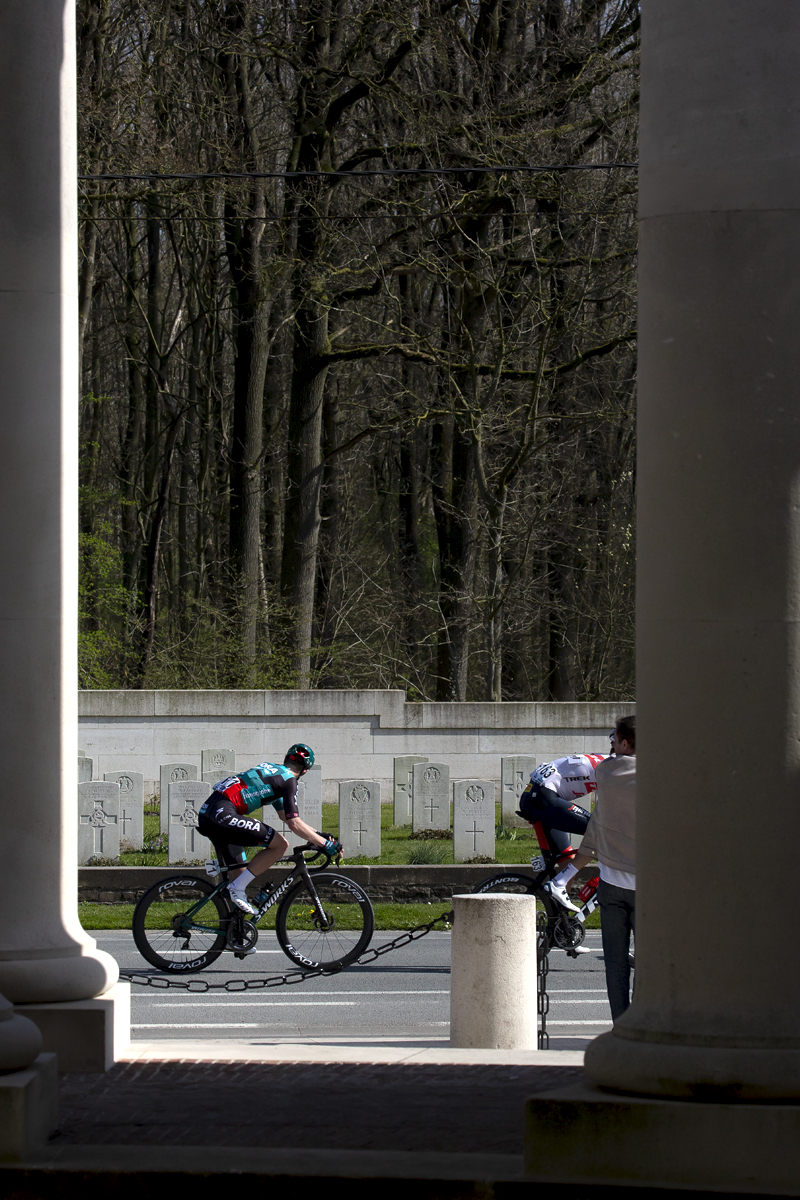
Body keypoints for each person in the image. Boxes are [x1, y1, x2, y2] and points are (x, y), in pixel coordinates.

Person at [197, 743, 342, 917]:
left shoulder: (273, 772)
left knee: (240, 875)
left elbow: (285, 816)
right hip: (223, 814)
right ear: (305, 771)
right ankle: (235, 889)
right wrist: (325, 844)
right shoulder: (289, 781)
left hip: (211, 814)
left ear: (286, 759)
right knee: (280, 845)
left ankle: (235, 937)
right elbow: (293, 823)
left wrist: (317, 835)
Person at [554, 716, 636, 1020]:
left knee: (615, 963)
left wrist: (572, 869)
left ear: (625, 743)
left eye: (614, 739)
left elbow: (597, 825)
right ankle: (639, 1024)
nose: (610, 745)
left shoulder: (607, 773)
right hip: (646, 882)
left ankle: (620, 1024)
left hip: (612, 882)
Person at [517, 750, 609, 910]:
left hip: (536, 795)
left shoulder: (606, 761)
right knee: (597, 832)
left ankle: (561, 923)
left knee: (566, 858)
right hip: (544, 797)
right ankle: (559, 884)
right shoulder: (614, 768)